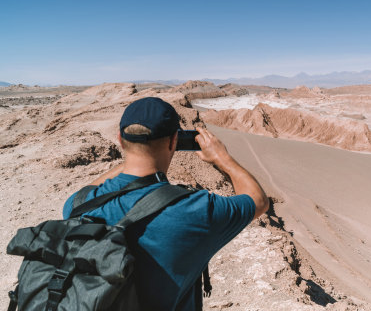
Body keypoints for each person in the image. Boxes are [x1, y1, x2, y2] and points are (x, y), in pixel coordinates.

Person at [62, 97, 269, 310]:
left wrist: (132, 159)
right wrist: (221, 157)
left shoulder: (78, 205)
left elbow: (88, 189)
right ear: (173, 142)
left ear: (120, 140)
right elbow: (259, 200)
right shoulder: (196, 210)